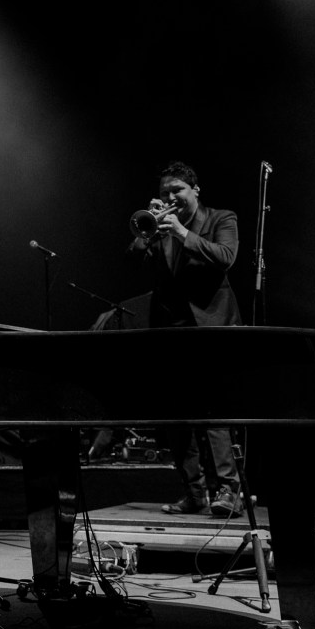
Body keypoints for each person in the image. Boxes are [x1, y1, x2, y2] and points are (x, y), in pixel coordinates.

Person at [126, 161, 244, 517]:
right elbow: (133, 258)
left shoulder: (221, 218)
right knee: (176, 417)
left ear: (195, 190)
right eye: (164, 192)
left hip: (211, 329)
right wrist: (147, 235)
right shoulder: (161, 227)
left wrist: (180, 232)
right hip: (169, 330)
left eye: (177, 189)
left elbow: (225, 257)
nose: (170, 197)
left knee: (213, 412)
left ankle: (227, 491)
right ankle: (193, 493)